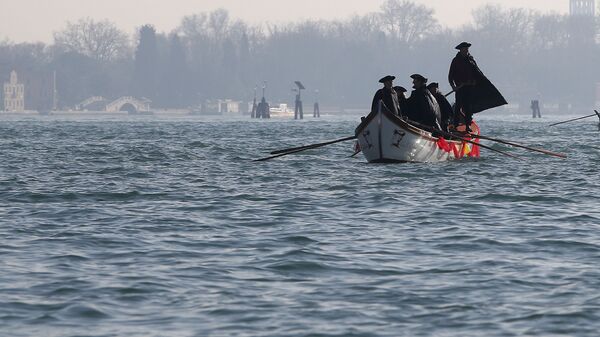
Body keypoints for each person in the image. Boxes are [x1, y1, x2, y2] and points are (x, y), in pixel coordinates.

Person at [448, 42, 507, 132]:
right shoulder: (455, 61)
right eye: (465, 49)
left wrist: (474, 82)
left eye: (467, 49)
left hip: (469, 88)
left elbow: (477, 73)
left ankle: (468, 126)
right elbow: (450, 76)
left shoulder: (470, 60)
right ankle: (455, 126)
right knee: (458, 107)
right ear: (461, 50)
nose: (466, 51)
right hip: (460, 88)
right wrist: (453, 86)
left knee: (468, 107)